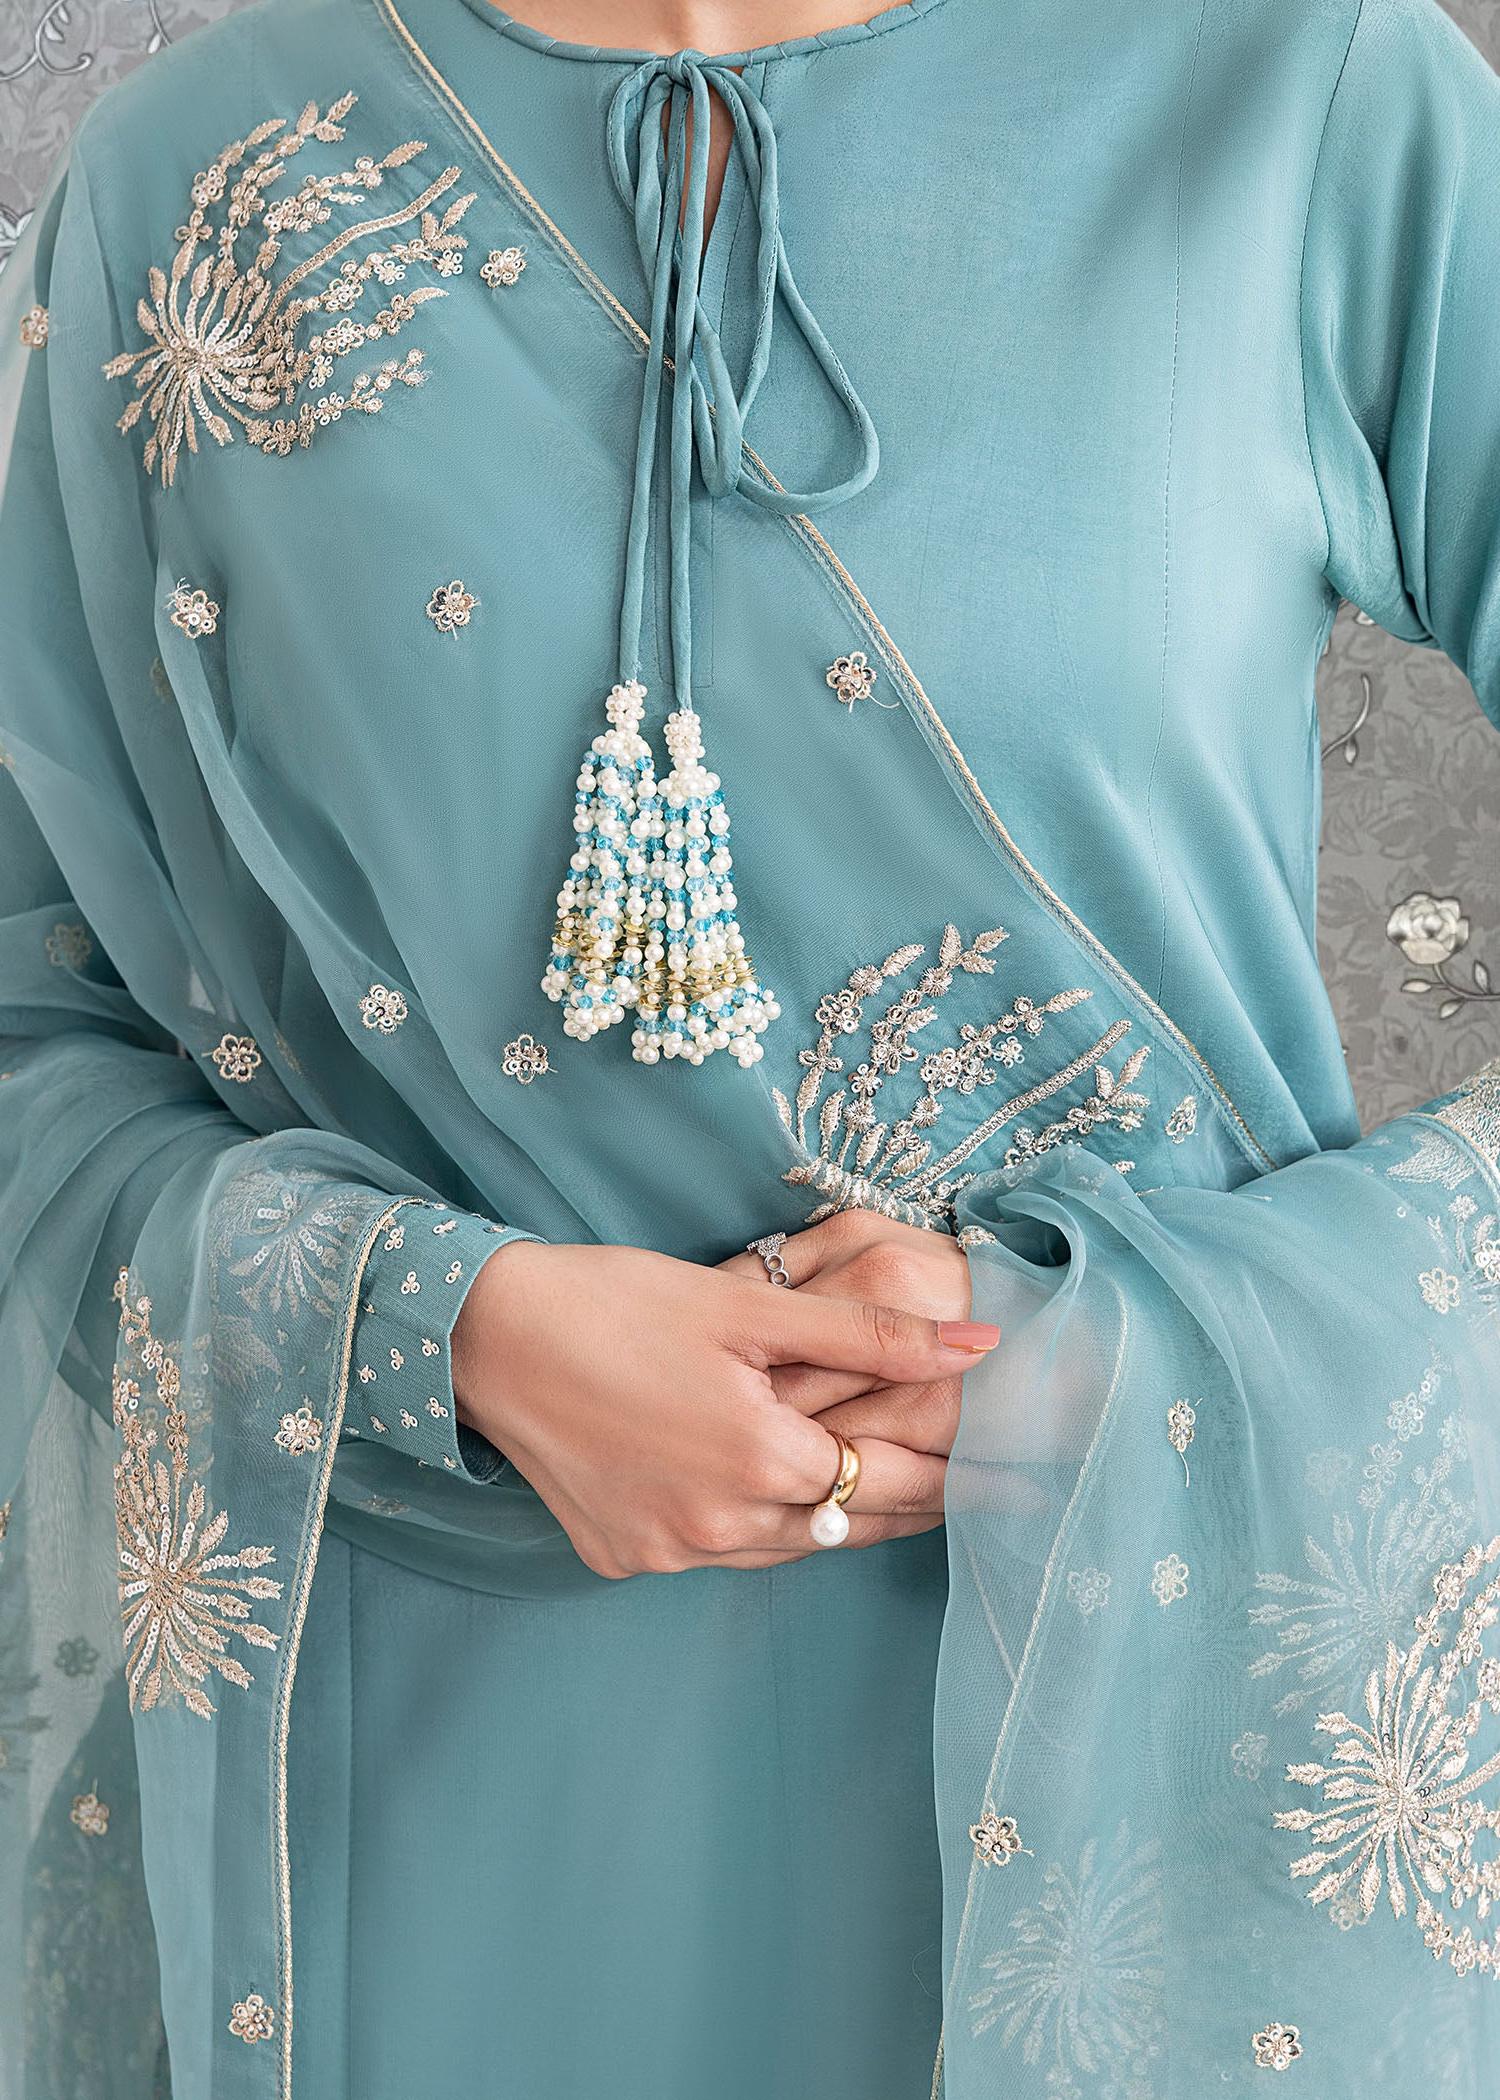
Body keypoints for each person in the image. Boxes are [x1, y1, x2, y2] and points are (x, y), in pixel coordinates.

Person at [1, 0, 1498, 2093]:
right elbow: (30, 1027)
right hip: (433, 1780)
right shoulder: (200, 184)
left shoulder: (1296, 95)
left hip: (1159, 1761)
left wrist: (1143, 1351)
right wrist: (444, 1330)